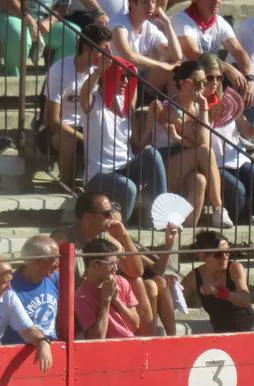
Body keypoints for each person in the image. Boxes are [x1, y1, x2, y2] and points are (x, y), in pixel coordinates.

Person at [79, 55, 168, 224]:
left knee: (152, 154)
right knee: (128, 187)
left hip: (125, 167)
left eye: (128, 78)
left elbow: (139, 144)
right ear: (109, 77)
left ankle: (163, 215)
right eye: (121, 77)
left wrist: (151, 118)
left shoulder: (126, 107)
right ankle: (120, 232)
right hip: (99, 174)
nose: (126, 82)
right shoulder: (94, 102)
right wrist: (99, 71)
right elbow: (84, 93)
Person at [197, 52, 254, 224]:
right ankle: (234, 226)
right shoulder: (194, 103)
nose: (214, 83)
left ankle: (252, 223)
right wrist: (208, 116)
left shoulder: (229, 100)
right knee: (238, 191)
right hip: (214, 162)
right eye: (209, 78)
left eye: (218, 78)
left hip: (237, 157)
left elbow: (249, 131)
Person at [151, 61, 227, 229]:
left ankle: (188, 229)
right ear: (183, 83)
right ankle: (218, 208)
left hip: (187, 162)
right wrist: (204, 106)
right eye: (197, 83)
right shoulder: (168, 109)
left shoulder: (198, 109)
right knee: (204, 152)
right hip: (164, 165)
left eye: (204, 82)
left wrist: (202, 107)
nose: (202, 87)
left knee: (199, 180)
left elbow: (201, 142)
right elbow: (202, 143)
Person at [38, 23, 112, 188]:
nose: (108, 55)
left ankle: (100, 188)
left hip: (86, 127)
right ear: (86, 49)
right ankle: (67, 186)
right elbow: (51, 120)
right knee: (69, 138)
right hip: (54, 132)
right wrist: (83, 138)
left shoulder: (101, 70)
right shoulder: (60, 69)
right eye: (103, 50)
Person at [0, 259, 54, 386]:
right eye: (4, 283)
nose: (9, 286)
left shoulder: (9, 297)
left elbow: (27, 329)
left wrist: (42, 340)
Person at [172, 0, 254, 106]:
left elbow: (240, 52)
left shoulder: (220, 22)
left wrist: (249, 78)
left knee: (251, 97)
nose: (217, 1)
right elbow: (194, 55)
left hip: (211, 80)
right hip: (188, 80)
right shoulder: (181, 20)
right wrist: (226, 67)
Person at [182, 229, 254, 332]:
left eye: (227, 252)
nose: (225, 257)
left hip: (250, 327)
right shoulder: (194, 277)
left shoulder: (234, 268)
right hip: (222, 332)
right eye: (218, 254)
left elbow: (245, 300)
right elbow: (177, 297)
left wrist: (218, 292)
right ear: (202, 255)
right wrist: (172, 284)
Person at [75, 235, 151, 339]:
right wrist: (106, 300)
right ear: (94, 265)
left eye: (116, 263)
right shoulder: (81, 297)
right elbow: (98, 337)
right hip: (106, 350)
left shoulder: (121, 282)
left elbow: (135, 325)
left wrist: (116, 300)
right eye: (111, 264)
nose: (116, 268)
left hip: (130, 343)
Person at [111, 0, 181, 95]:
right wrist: (160, 65)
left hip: (141, 80)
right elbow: (129, 55)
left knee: (175, 66)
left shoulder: (150, 28)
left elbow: (176, 56)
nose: (151, 6)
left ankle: (173, 108)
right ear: (132, 3)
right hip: (116, 80)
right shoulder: (118, 25)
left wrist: (167, 24)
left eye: (153, 2)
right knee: (168, 66)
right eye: (145, 2)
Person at [1, 236, 60, 347]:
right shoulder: (8, 288)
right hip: (18, 356)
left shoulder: (57, 279)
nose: (58, 263)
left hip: (52, 352)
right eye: (54, 258)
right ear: (38, 260)